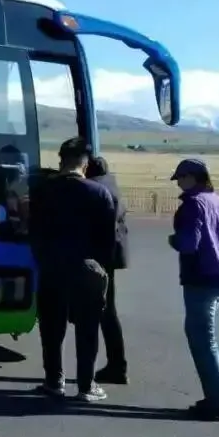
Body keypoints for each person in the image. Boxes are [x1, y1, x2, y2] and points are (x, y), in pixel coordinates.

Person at [28, 137, 117, 402]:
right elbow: (108, 240)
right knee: (87, 328)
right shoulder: (98, 193)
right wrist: (101, 267)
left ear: (61, 161)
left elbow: (34, 231)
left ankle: (54, 380)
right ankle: (86, 386)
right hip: (86, 267)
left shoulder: (43, 190)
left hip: (51, 266)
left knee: (51, 327)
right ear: (85, 164)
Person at [167, 157, 219, 421]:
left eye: (182, 178)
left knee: (204, 341)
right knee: (203, 337)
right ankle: (215, 398)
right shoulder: (218, 201)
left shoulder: (193, 204)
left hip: (200, 278)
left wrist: (174, 240)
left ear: (194, 177)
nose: (179, 183)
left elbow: (188, 244)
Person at [85, 156, 129, 384]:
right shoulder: (111, 185)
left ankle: (116, 366)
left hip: (101, 257)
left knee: (104, 312)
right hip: (111, 256)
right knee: (108, 311)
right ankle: (117, 365)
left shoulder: (98, 190)